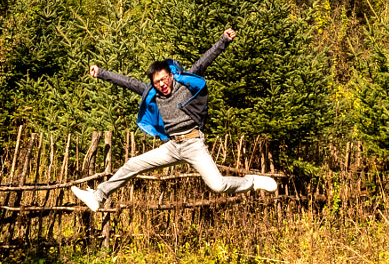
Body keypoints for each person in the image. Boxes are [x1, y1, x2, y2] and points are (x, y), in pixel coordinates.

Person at [72, 27, 277, 211]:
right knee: (132, 164)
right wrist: (100, 73)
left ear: (170, 75)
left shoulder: (184, 85)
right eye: (157, 82)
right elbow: (127, 82)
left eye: (164, 79)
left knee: (218, 186)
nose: (161, 84)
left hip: (193, 143)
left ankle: (251, 181)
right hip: (172, 147)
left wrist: (224, 40)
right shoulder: (152, 92)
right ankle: (98, 196)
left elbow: (205, 60)